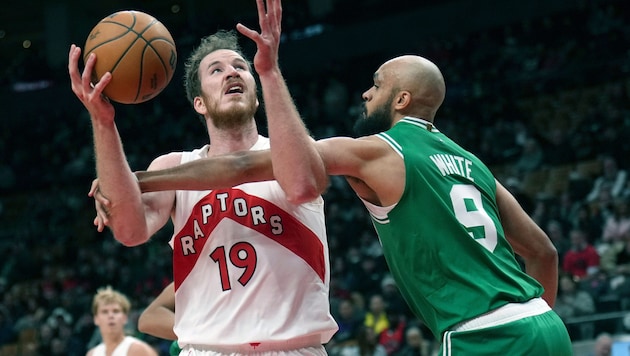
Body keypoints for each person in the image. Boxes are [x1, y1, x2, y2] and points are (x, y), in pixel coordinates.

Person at [125, 1, 573, 354]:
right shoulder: (472, 164)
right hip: (543, 322)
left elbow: (245, 167)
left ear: (400, 100)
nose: (365, 91)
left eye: (375, 85)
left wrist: (136, 181)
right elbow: (543, 252)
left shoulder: (377, 150)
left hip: (482, 332)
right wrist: (534, 322)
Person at [68, 0, 338, 354]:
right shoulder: (172, 167)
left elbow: (302, 185)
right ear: (199, 103)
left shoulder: (292, 155)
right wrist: (103, 122)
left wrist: (269, 72)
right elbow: (130, 231)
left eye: (241, 66)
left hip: (294, 347)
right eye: (216, 70)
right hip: (206, 348)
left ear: (256, 97)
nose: (232, 72)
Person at [86, 286, 157, 356]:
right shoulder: (92, 354)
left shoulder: (139, 350)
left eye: (116, 311)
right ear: (96, 319)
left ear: (125, 318)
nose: (111, 315)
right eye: (105, 312)